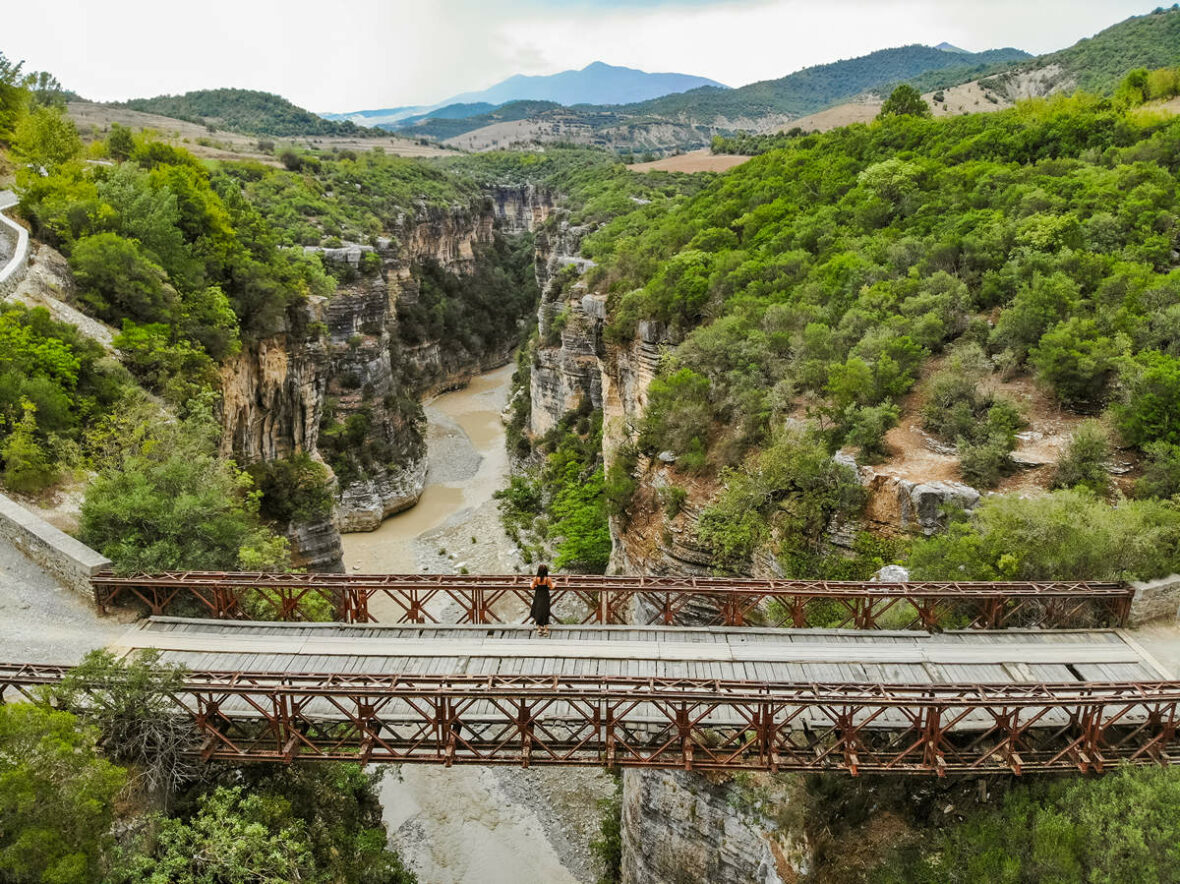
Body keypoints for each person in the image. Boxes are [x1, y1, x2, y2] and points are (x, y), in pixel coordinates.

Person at [530, 563, 554, 637]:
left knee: (538, 610)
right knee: (545, 611)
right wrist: (555, 584)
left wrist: (530, 583)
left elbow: (532, 587)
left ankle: (539, 629)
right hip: (545, 596)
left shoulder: (535, 579)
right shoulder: (548, 579)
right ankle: (546, 630)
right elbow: (552, 587)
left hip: (538, 595)